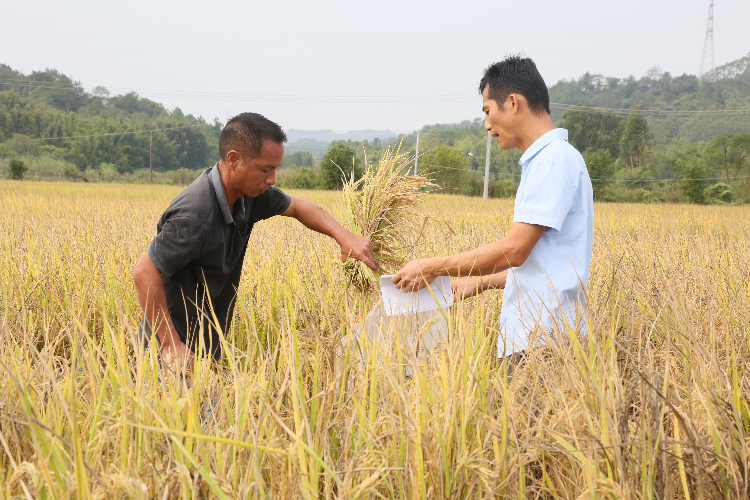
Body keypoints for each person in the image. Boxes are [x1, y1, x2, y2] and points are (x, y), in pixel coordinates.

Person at [391, 56, 594, 370]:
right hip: (543, 335)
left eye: (488, 111)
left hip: (541, 341)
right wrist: (480, 282)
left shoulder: (551, 162)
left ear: (512, 103)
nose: (487, 125)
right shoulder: (553, 159)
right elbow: (543, 262)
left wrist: (433, 267)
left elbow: (515, 250)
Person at [132, 112, 376, 373]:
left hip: (203, 350)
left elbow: (298, 207)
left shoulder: (249, 196)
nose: (272, 180)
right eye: (265, 169)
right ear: (234, 159)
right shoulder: (197, 213)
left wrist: (344, 236)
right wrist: (171, 346)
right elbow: (144, 273)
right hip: (167, 356)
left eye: (275, 169)